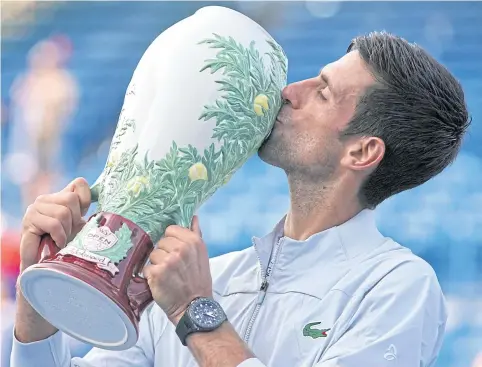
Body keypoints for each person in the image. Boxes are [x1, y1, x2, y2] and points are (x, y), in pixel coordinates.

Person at [11, 31, 470, 367]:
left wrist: (196, 315)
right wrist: (37, 312)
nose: (289, 93)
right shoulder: (209, 277)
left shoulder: (397, 288)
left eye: (323, 92)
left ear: (363, 151)